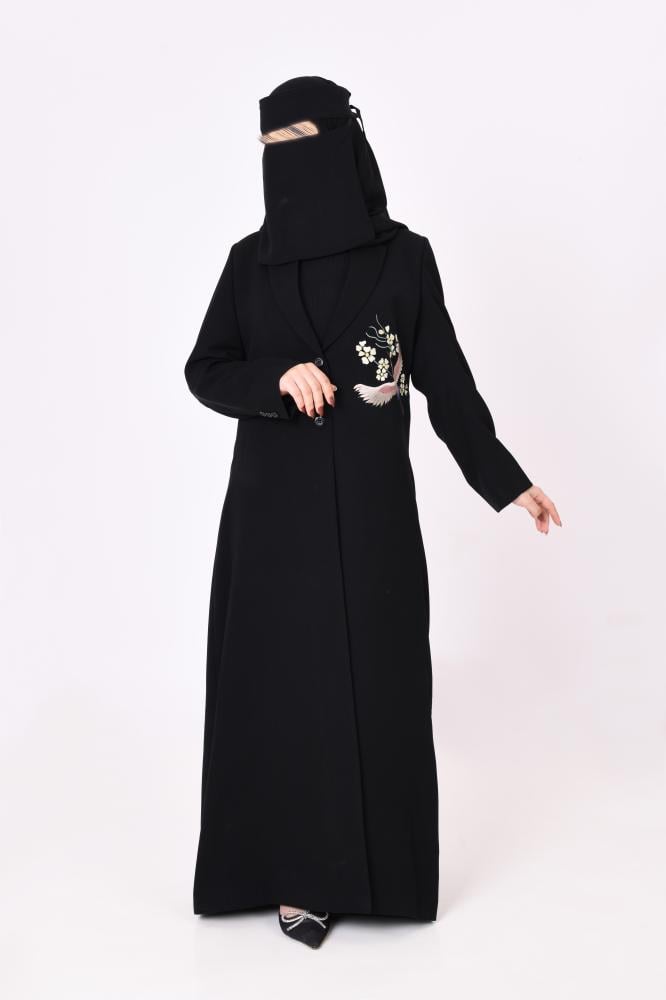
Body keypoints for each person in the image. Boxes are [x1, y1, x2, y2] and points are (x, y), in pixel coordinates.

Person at [184, 75, 561, 950]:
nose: (279, 160)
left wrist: (506, 480)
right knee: (282, 687)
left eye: (295, 141)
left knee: (377, 681)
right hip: (271, 522)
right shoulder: (248, 262)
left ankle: (379, 876)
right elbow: (206, 369)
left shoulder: (404, 259)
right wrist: (276, 378)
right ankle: (289, 872)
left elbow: (447, 384)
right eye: (266, 147)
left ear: (339, 144)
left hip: (371, 514)